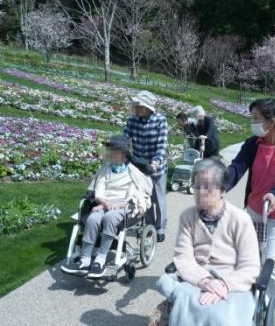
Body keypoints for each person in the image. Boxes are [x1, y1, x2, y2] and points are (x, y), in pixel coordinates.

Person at [226, 98, 275, 326]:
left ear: (271, 122)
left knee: (274, 264)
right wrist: (221, 184)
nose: (252, 123)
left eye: (256, 119)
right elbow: (237, 166)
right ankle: (252, 308)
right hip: (254, 210)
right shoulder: (253, 143)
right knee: (250, 259)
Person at [156, 158, 260, 326]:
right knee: (174, 290)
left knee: (223, 318)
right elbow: (183, 259)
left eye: (207, 187)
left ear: (222, 190)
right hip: (197, 279)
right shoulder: (187, 216)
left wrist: (224, 285)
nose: (199, 192)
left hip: (232, 283)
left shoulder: (241, 220)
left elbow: (250, 267)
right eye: (196, 186)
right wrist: (205, 281)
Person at [61, 135, 153, 277]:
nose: (110, 153)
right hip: (103, 202)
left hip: (122, 205)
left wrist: (110, 206)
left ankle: (100, 259)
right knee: (93, 219)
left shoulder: (133, 172)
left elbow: (132, 197)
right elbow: (99, 191)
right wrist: (103, 203)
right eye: (109, 150)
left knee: (110, 218)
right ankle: (85, 259)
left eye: (113, 150)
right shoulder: (105, 169)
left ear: (123, 153)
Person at [124, 90, 168, 242]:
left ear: (146, 107)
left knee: (158, 199)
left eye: (138, 105)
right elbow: (124, 139)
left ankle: (161, 227)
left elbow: (162, 146)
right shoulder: (132, 120)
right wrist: (116, 150)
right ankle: (149, 226)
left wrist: (155, 163)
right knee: (145, 198)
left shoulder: (160, 120)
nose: (135, 108)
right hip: (138, 167)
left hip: (155, 167)